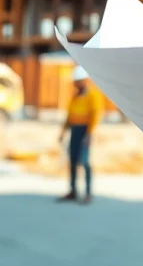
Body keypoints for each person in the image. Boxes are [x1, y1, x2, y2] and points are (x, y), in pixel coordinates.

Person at [57, 65, 103, 204]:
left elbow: (95, 115)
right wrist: (63, 131)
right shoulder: (75, 97)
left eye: (77, 81)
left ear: (84, 80)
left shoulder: (92, 95)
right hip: (74, 130)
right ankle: (73, 190)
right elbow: (69, 115)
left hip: (85, 131)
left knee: (84, 161)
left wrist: (89, 134)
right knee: (72, 161)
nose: (75, 84)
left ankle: (88, 192)